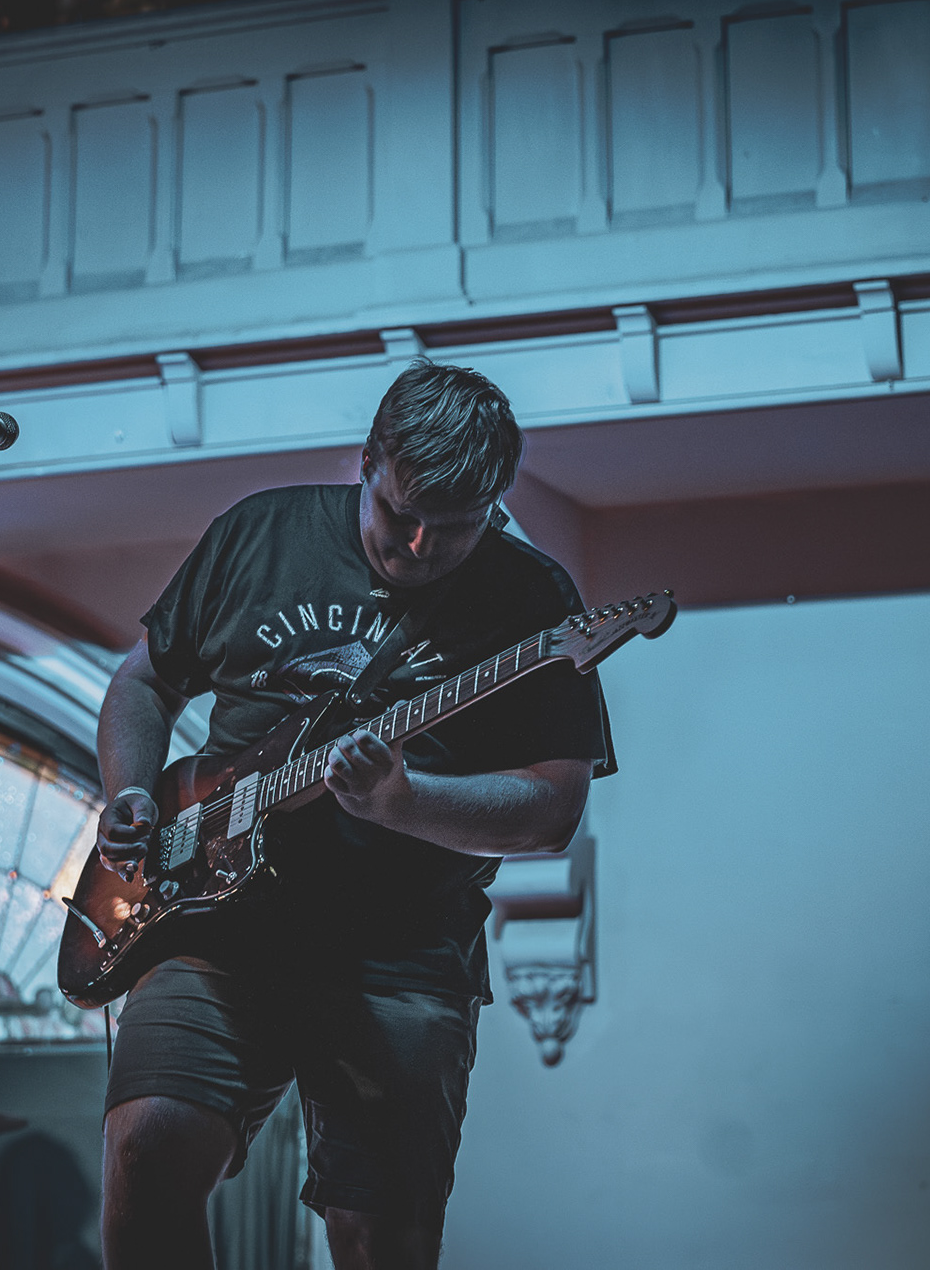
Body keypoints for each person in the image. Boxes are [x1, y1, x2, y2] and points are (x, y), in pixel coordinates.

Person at [93, 358, 615, 1269]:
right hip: (215, 922)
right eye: (398, 512)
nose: (417, 546)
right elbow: (143, 682)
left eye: (452, 529)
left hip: (403, 951)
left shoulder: (533, 602)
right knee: (146, 1151)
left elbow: (553, 809)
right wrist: (131, 788)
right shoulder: (259, 532)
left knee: (380, 1242)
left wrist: (405, 802)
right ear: (366, 461)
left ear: (495, 504)